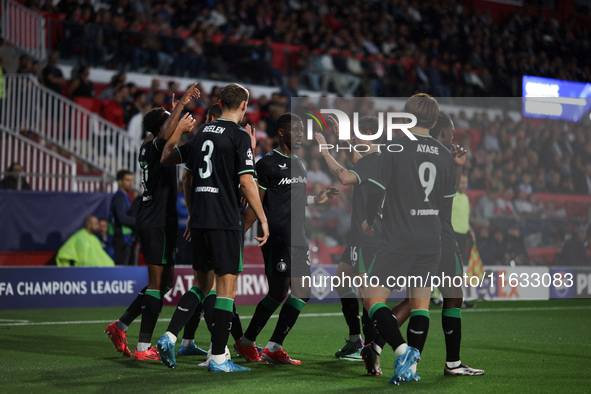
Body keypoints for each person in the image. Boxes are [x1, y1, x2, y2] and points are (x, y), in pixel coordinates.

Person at [158, 83, 269, 373]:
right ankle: (219, 357)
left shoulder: (202, 133)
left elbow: (167, 158)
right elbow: (246, 182)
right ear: (244, 106)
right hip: (225, 220)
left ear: (220, 102)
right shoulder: (239, 136)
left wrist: (179, 132)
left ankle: (170, 335)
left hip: (201, 220)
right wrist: (262, 217)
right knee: (226, 289)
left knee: (202, 284)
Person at [362, 93, 455, 384]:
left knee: (371, 297)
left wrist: (367, 217)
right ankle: (410, 369)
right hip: (431, 239)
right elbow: (447, 207)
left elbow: (376, 189)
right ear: (436, 120)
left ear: (407, 117)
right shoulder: (446, 154)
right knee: (420, 305)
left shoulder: (394, 147)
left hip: (398, 236)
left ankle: (402, 351)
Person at [104, 83, 200, 361]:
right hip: (155, 220)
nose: (175, 119)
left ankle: (119, 326)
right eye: (169, 118)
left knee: (166, 282)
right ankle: (143, 348)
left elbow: (170, 136)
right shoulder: (153, 145)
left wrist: (177, 111)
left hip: (163, 220)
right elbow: (169, 134)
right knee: (157, 285)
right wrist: (181, 104)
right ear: (160, 128)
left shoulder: (157, 145)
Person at [384, 112, 484, 377]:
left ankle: (377, 343)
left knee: (415, 301)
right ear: (439, 131)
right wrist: (457, 166)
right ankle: (451, 363)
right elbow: (446, 203)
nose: (453, 138)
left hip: (416, 237)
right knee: (451, 298)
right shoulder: (440, 156)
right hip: (441, 238)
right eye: (450, 133)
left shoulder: (413, 154)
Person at [235, 113, 337, 365]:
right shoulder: (267, 164)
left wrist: (316, 199)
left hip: (299, 237)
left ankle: (272, 347)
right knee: (279, 291)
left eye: (303, 131)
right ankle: (247, 343)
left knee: (302, 292)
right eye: (296, 130)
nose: (301, 135)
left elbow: (293, 199)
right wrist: (237, 236)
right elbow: (254, 203)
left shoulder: (299, 164)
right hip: (278, 237)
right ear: (281, 132)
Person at [313, 115, 382, 361]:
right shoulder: (370, 160)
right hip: (357, 237)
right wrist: (342, 138)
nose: (355, 137)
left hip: (369, 237)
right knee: (342, 282)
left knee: (368, 297)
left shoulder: (376, 161)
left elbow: (344, 177)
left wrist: (325, 152)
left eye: (358, 133)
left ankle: (373, 350)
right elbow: (355, 159)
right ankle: (356, 340)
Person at [110, 170, 136, 266]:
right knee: (121, 268)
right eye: (127, 180)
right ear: (120, 182)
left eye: (131, 180)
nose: (130, 183)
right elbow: (122, 218)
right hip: (121, 239)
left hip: (125, 238)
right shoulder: (119, 197)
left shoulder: (124, 196)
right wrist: (139, 222)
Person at [452, 174, 476, 264]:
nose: (464, 185)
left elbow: (465, 217)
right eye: (462, 182)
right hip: (453, 233)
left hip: (464, 235)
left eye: (466, 183)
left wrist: (471, 231)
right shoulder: (452, 196)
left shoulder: (466, 198)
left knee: (462, 261)